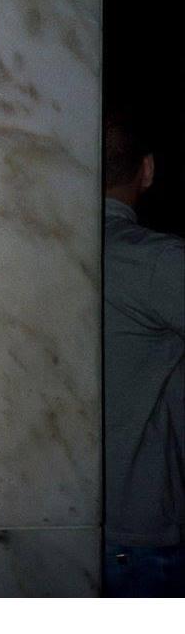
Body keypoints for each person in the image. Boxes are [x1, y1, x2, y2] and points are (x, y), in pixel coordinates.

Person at [102, 110, 185, 597]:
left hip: (50, 523)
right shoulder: (157, 260)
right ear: (147, 169)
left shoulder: (36, 256)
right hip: (138, 537)